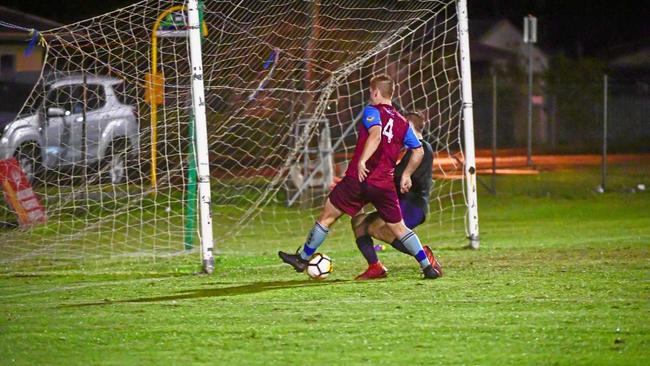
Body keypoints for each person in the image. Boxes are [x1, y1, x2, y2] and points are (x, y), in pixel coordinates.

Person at [278, 74, 442, 279]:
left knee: (327, 217)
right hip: (384, 185)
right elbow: (417, 151)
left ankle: (302, 259)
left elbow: (376, 134)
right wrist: (406, 174)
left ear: (375, 92)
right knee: (398, 228)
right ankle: (427, 267)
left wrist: (363, 160)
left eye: (370, 93)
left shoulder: (372, 111)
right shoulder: (402, 122)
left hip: (359, 179)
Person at [350, 111, 439, 280]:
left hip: (413, 206)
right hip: (399, 204)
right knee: (359, 222)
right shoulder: (406, 151)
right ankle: (375, 267)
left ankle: (425, 258)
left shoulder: (422, 148)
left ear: (409, 127)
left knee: (375, 227)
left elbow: (398, 179)